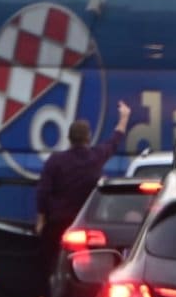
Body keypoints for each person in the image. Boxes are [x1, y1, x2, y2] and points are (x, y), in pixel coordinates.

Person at [35, 100, 131, 273]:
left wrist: (41, 220)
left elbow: (43, 191)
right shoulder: (96, 156)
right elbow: (115, 140)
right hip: (85, 224)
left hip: (58, 223)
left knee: (50, 264)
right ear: (88, 137)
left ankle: (50, 284)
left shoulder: (55, 161)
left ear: (69, 138)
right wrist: (124, 117)